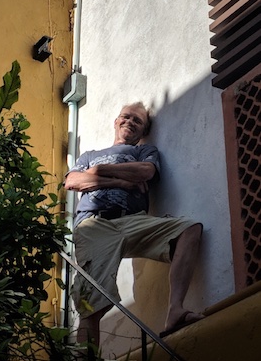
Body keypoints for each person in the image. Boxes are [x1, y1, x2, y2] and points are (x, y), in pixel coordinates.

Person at [65, 102, 203, 344]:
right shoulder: (88, 155)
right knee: (92, 300)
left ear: (143, 130)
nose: (130, 122)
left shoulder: (144, 151)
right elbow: (73, 181)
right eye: (126, 117)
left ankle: (175, 311)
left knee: (189, 229)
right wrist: (120, 182)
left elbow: (146, 172)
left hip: (134, 220)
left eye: (137, 121)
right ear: (116, 121)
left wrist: (100, 171)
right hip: (94, 225)